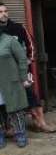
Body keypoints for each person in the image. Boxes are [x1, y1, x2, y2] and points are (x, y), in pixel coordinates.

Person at [0, 2, 55, 133]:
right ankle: (9, 127)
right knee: (6, 99)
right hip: (4, 73)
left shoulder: (18, 28)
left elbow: (31, 44)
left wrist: (29, 61)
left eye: (5, 11)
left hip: (21, 71)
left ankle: (40, 123)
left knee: (31, 95)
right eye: (0, 12)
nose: (4, 14)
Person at [0, 20, 30, 148]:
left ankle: (20, 133)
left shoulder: (9, 40)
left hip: (10, 81)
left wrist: (24, 77)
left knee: (15, 109)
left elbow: (22, 58)